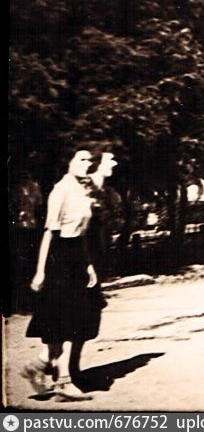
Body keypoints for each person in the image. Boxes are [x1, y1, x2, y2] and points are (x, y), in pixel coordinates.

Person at [24, 147, 116, 400]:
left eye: (89, 160)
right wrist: (40, 271)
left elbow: (82, 234)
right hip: (59, 256)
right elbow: (49, 233)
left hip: (76, 255)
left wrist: (87, 265)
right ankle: (62, 381)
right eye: (81, 159)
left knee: (75, 317)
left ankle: (45, 368)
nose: (86, 164)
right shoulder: (61, 190)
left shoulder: (81, 189)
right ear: (69, 162)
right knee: (65, 319)